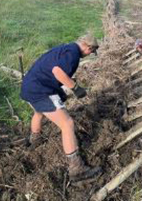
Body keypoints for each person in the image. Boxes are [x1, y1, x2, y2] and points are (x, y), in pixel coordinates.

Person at [20, 34, 101, 182]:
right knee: (67, 123)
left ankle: (34, 141)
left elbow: (51, 71)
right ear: (88, 47)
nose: (89, 55)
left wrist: (61, 92)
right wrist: (76, 88)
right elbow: (57, 72)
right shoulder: (73, 54)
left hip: (29, 86)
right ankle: (77, 170)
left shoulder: (64, 48)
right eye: (91, 52)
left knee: (39, 113)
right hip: (40, 91)